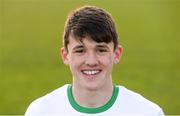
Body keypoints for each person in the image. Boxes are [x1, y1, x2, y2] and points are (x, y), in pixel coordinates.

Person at [25, 5, 164, 115]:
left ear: (116, 54)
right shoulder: (40, 111)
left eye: (101, 50)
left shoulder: (148, 112)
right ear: (65, 55)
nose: (91, 61)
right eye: (80, 50)